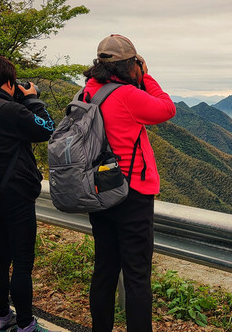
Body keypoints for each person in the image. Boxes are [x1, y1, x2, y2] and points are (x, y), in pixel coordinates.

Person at [83, 34, 176, 332]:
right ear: (130, 65)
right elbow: (166, 108)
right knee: (136, 276)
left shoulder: (88, 92)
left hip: (98, 190)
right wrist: (146, 77)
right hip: (131, 193)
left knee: (105, 270)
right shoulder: (127, 95)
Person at [0, 56, 55, 332]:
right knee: (23, 262)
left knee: (1, 256)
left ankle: (2, 318)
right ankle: (26, 325)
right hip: (16, 194)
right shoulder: (10, 111)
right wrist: (32, 99)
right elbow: (46, 128)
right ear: (7, 82)